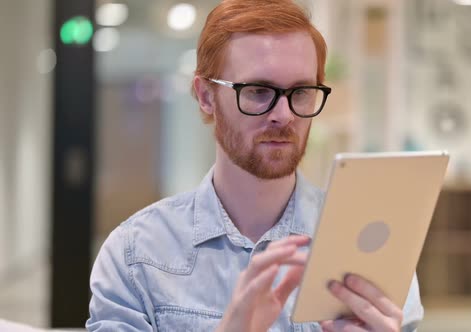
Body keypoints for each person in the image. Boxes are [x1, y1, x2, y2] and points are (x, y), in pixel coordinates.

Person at [86, 0, 424, 331]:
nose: (284, 114)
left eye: (302, 91)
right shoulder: (136, 256)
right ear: (206, 96)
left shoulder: (370, 254)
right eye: (259, 91)